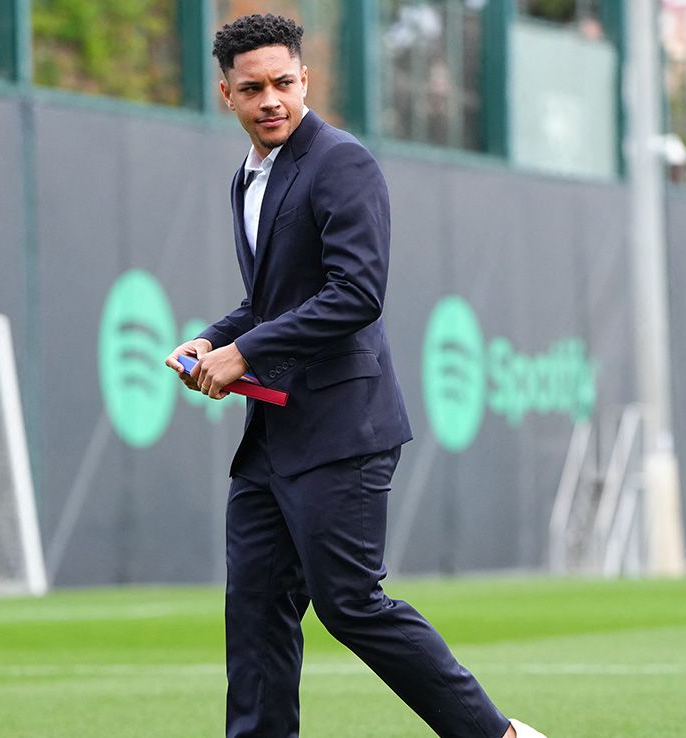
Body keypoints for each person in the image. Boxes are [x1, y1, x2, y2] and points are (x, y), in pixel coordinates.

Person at [165, 13, 546, 738]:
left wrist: (243, 354)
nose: (271, 99)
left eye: (284, 82)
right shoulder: (246, 176)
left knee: (349, 603)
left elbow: (356, 294)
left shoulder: (342, 162)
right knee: (254, 611)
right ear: (227, 95)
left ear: (305, 79)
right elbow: (268, 300)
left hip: (343, 428)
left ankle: (493, 734)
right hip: (273, 437)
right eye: (254, 89)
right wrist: (212, 339)